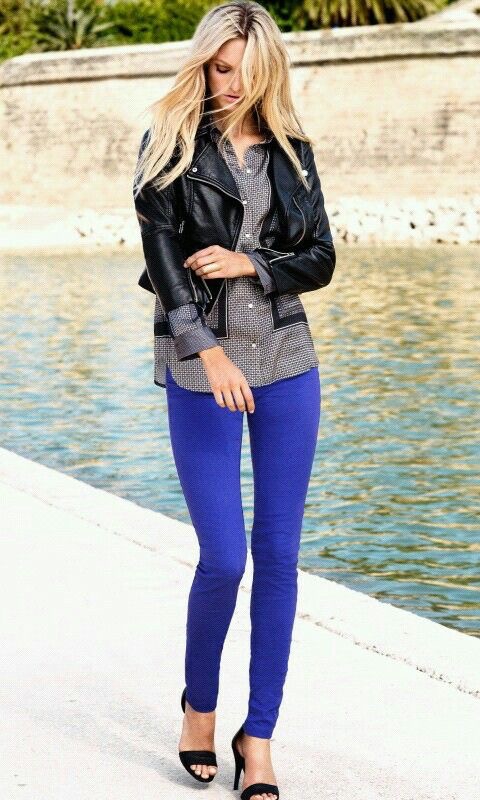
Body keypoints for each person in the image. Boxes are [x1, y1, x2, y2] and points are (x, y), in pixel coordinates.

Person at [132, 3, 336, 799]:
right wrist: (206, 350)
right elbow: (161, 255)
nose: (232, 86)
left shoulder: (293, 151)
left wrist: (252, 263)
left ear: (268, 72)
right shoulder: (170, 144)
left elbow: (320, 257)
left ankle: (260, 737)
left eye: (247, 72)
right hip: (202, 365)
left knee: (279, 556)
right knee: (224, 557)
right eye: (221, 69)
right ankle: (199, 707)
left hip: (287, 361)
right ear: (203, 63)